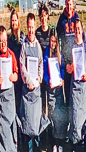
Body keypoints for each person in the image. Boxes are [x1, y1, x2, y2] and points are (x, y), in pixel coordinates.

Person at [19, 12, 49, 152]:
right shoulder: (24, 46)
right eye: (29, 27)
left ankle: (37, 147)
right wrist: (29, 81)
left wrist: (39, 79)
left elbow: (40, 64)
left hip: (36, 90)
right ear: (26, 27)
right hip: (27, 90)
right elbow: (22, 65)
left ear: (35, 26)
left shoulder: (37, 45)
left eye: (32, 27)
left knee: (36, 122)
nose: (31, 30)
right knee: (27, 121)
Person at [65, 17, 86, 152]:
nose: (76, 32)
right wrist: (69, 68)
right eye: (75, 29)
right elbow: (66, 66)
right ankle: (75, 146)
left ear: (82, 30)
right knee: (75, 119)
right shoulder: (71, 49)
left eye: (78, 29)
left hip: (85, 90)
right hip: (75, 90)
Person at [0, 24, 19, 152]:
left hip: (10, 96)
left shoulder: (12, 55)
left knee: (11, 122)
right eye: (0, 42)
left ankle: (12, 148)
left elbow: (17, 73)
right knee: (1, 125)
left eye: (4, 41)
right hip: (1, 97)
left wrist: (14, 76)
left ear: (7, 40)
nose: (3, 44)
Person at [44, 28, 68, 152]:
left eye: (54, 41)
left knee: (60, 116)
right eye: (51, 41)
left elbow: (62, 67)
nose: (53, 44)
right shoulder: (47, 53)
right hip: (51, 90)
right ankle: (54, 143)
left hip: (59, 90)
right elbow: (44, 71)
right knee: (52, 115)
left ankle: (60, 142)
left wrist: (62, 78)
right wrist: (49, 81)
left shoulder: (59, 53)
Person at [37, 3, 52, 119]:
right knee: (42, 98)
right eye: (41, 16)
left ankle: (51, 124)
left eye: (45, 15)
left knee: (50, 99)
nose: (43, 18)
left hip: (50, 71)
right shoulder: (37, 33)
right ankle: (42, 122)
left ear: (47, 16)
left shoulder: (52, 32)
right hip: (41, 71)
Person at [8, 8, 25, 107]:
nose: (14, 22)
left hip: (20, 69)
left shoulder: (22, 36)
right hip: (11, 70)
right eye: (12, 20)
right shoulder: (8, 36)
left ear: (18, 21)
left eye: (15, 20)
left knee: (20, 95)